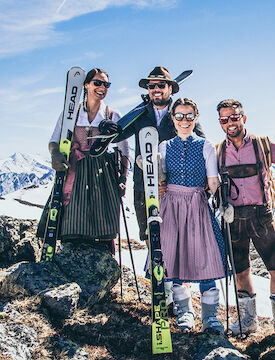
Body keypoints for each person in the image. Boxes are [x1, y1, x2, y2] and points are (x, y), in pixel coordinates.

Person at [215, 99, 275, 338]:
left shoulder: (263, 145)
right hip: (232, 218)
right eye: (224, 119)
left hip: (261, 216)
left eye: (234, 117)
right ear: (220, 123)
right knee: (240, 272)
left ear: (243, 118)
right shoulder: (217, 151)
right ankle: (247, 321)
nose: (230, 123)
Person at [99, 66, 205, 246]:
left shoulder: (181, 112)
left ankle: (172, 274)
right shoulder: (140, 115)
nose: (156, 89)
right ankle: (155, 273)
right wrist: (105, 127)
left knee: (176, 240)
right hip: (144, 185)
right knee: (150, 238)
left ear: (170, 88)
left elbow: (200, 143)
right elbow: (119, 135)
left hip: (174, 187)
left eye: (161, 85)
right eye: (152, 86)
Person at [38, 68, 129, 251]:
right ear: (86, 85)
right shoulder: (70, 114)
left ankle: (102, 254)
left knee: (102, 216)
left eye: (106, 84)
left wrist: (123, 179)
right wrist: (55, 155)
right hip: (74, 169)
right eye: (97, 83)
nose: (102, 87)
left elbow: (124, 150)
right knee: (72, 216)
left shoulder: (112, 115)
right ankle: (69, 252)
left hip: (102, 174)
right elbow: (54, 141)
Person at [157, 98, 226, 332]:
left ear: (196, 118)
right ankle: (185, 312)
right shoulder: (164, 147)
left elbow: (213, 180)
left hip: (197, 205)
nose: (184, 121)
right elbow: (160, 180)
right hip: (172, 207)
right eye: (179, 116)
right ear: (173, 119)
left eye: (189, 116)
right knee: (176, 259)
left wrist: (222, 202)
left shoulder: (206, 146)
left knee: (206, 257)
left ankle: (210, 316)